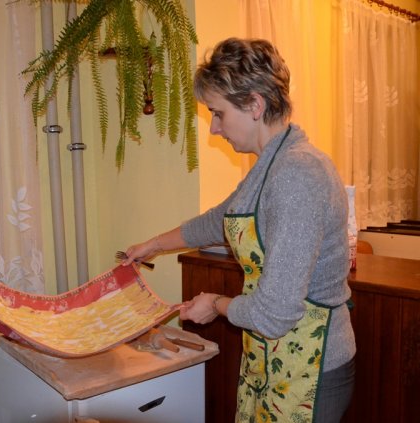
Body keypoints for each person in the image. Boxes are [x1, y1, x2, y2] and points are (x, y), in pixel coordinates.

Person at [122, 38, 355, 422]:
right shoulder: (271, 165)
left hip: (310, 372)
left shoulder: (298, 173)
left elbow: (274, 313)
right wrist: (153, 245)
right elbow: (221, 220)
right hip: (275, 360)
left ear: (254, 105)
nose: (214, 129)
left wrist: (214, 304)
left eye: (218, 113)